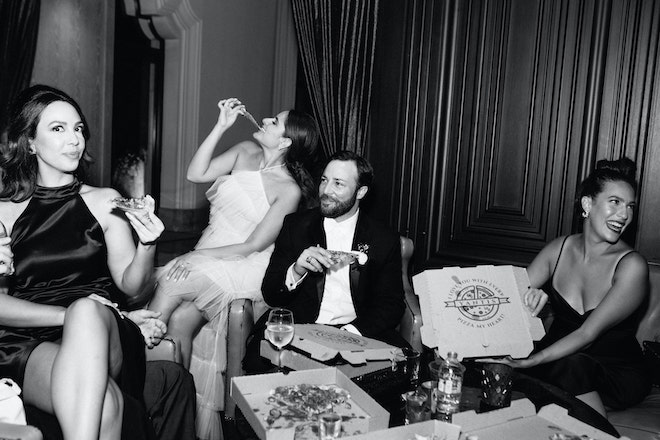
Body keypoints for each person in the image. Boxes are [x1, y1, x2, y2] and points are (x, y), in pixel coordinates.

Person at [0, 84, 192, 440]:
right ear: (29, 142)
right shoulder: (4, 212)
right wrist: (67, 314)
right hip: (28, 340)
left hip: (104, 330)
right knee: (102, 405)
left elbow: (134, 286)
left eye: (78, 129)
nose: (74, 139)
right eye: (57, 129)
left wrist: (147, 244)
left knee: (87, 313)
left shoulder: (105, 201)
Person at [146, 97, 319, 437]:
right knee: (179, 321)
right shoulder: (244, 151)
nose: (266, 119)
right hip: (211, 252)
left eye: (275, 122)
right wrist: (221, 125)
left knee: (169, 283)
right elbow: (195, 173)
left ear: (285, 142)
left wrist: (196, 257)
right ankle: (171, 412)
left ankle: (137, 375)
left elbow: (254, 244)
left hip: (243, 264)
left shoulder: (289, 189)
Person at [504, 157, 652, 415]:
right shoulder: (557, 250)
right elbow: (506, 301)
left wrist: (530, 361)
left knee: (569, 365)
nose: (625, 215)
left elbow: (586, 335)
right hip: (557, 359)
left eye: (630, 206)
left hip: (614, 373)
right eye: (615, 202)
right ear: (587, 204)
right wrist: (529, 302)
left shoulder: (632, 266)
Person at [244, 150, 407, 373]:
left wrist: (350, 333)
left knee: (404, 373)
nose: (326, 191)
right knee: (257, 366)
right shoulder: (295, 226)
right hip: (300, 330)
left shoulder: (383, 238)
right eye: (324, 180)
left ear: (361, 191)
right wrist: (297, 269)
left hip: (358, 333)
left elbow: (391, 304)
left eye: (338, 184)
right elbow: (270, 294)